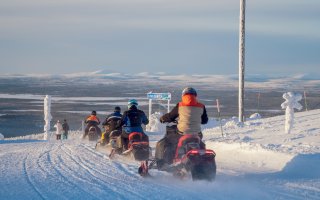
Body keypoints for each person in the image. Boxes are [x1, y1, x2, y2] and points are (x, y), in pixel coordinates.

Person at [155, 87, 208, 168]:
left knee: (166, 142)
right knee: (201, 144)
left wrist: (162, 119)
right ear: (195, 96)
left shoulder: (180, 105)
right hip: (196, 134)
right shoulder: (201, 106)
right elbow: (204, 121)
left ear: (183, 95)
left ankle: (163, 163)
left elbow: (170, 116)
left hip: (182, 133)